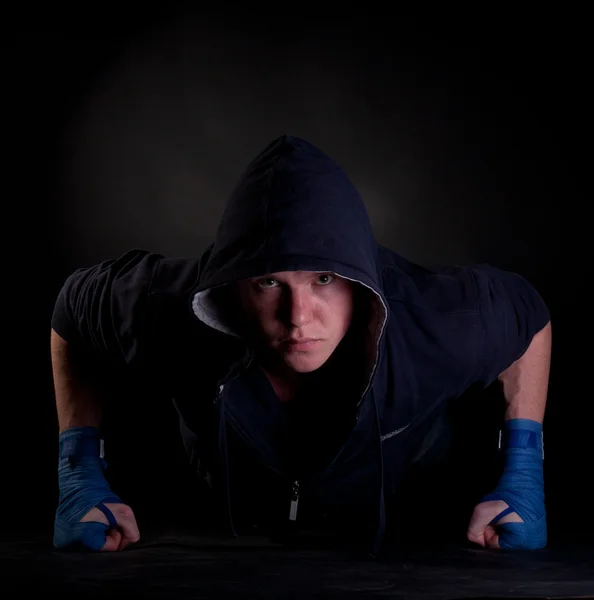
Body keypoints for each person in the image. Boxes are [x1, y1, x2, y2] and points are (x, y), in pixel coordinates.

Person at [50, 134, 551, 557]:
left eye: (324, 279)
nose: (298, 318)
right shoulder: (166, 309)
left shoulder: (440, 319)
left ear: (358, 282)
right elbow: (72, 310)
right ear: (234, 286)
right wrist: (80, 473)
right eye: (268, 282)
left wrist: (523, 472)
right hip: (220, 532)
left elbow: (530, 317)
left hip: (404, 517)